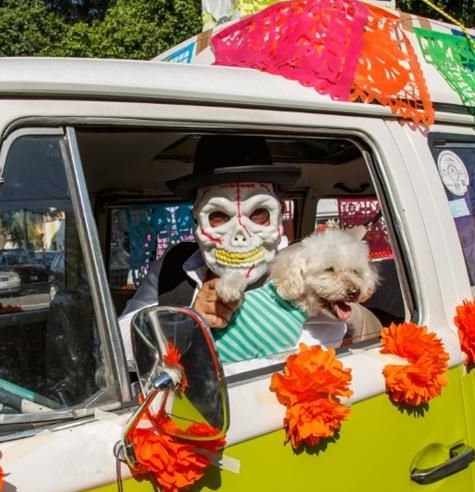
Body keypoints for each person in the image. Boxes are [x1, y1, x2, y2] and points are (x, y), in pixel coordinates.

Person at [118, 135, 349, 363]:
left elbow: (314, 355)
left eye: (258, 213)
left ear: (279, 217)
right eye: (219, 215)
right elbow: (122, 349)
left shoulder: (308, 270)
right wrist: (187, 320)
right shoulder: (173, 265)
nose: (240, 234)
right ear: (197, 219)